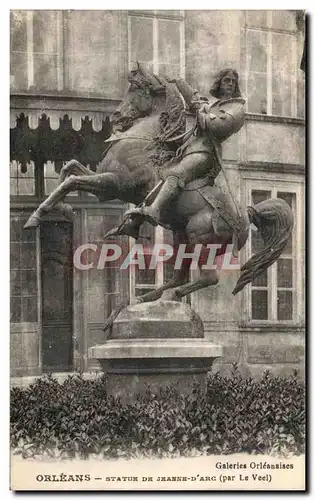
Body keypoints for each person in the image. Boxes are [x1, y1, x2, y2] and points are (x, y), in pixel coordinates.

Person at [125, 68, 246, 226]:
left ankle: (154, 210)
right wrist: (179, 82)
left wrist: (202, 112)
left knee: (177, 173)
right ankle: (134, 224)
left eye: (233, 81)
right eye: (226, 80)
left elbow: (218, 126)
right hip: (191, 148)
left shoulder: (236, 108)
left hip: (206, 153)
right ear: (219, 83)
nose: (230, 84)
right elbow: (195, 101)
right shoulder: (215, 105)